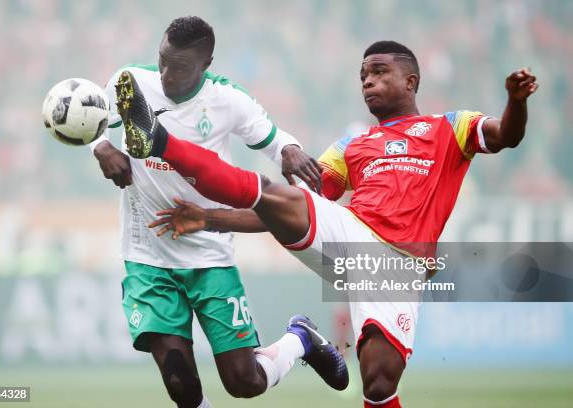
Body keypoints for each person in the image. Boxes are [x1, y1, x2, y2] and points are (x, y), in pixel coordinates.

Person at [116, 40, 537, 407]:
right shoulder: (350, 145)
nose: (367, 82)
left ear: (411, 82)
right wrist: (209, 217)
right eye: (362, 76)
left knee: (378, 383)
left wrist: (516, 102)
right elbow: (287, 209)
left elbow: (506, 136)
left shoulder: (449, 127)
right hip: (349, 235)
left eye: (379, 72)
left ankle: (306, 339)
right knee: (278, 193)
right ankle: (159, 139)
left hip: (395, 269)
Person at [90, 16, 348, 408]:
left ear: (206, 64)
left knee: (244, 382)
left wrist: (291, 151)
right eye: (162, 60)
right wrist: (101, 147)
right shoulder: (130, 82)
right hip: (147, 258)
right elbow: (84, 118)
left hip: (209, 258)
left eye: (178, 67)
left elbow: (276, 143)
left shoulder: (228, 100)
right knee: (180, 383)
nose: (164, 73)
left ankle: (300, 338)